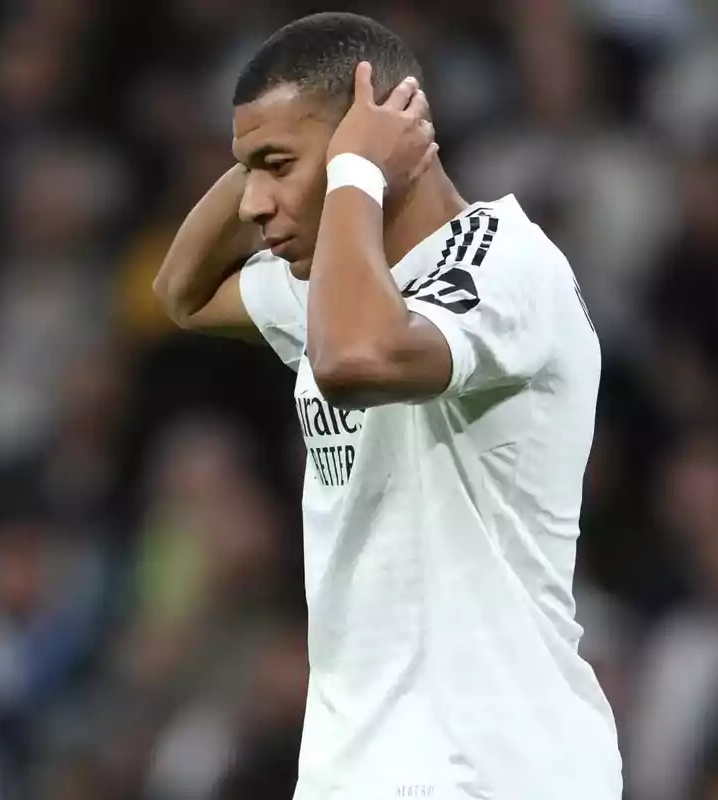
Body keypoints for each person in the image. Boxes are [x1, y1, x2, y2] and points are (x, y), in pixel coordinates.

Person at [153, 12, 620, 800]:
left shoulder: (504, 264)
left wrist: (353, 175)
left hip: (494, 766)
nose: (253, 207)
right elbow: (182, 293)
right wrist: (287, 156)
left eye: (276, 167)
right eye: (249, 174)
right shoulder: (332, 286)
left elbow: (353, 360)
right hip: (355, 768)